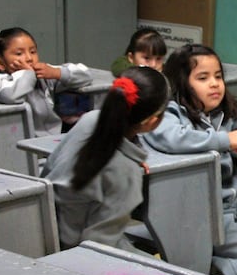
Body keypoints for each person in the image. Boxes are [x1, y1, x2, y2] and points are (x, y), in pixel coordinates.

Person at [142, 43, 237, 275]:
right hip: (203, 208)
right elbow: (173, 138)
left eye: (218, 76)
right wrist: (225, 140)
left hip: (234, 198)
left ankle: (218, 263)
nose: (215, 84)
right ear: (182, 82)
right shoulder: (172, 112)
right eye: (203, 78)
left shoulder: (223, 111)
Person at [41, 67, 168, 252]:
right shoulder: (126, 174)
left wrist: (129, 157)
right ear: (152, 121)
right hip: (75, 251)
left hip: (45, 230)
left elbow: (52, 168)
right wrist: (126, 165)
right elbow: (99, 248)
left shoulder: (90, 119)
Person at [0, 27, 92, 136]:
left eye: (33, 52)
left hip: (54, 137)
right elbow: (11, 96)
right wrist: (29, 73)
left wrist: (57, 73)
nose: (29, 58)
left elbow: (85, 75)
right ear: (1, 63)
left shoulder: (44, 74)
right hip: (21, 142)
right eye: (19, 54)